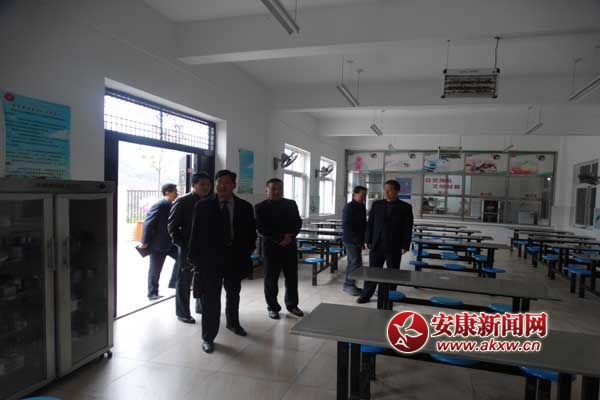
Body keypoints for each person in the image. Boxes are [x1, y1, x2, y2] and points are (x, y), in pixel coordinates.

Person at [188, 170, 256, 354]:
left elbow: (251, 234)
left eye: (226, 182)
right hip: (210, 262)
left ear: (234, 185)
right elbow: (196, 234)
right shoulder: (203, 205)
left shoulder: (245, 207)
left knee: (233, 294)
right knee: (210, 300)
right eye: (219, 182)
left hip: (235, 259)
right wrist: (194, 260)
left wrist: (247, 252)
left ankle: (233, 323)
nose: (222, 186)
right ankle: (208, 337)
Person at [357, 179, 413, 304]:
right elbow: (370, 224)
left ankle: (389, 295)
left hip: (394, 245)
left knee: (392, 272)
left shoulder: (405, 207)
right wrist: (367, 240)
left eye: (389, 190)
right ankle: (366, 295)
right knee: (372, 271)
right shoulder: (377, 204)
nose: (386, 193)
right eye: (385, 190)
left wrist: (405, 245)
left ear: (397, 191)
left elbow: (408, 228)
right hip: (377, 244)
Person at [255, 178, 304, 320]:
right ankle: (272, 307)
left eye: (280, 189)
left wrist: (290, 236)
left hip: (290, 246)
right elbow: (261, 227)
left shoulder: (291, 204)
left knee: (292, 278)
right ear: (266, 190)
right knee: (271, 279)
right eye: (273, 189)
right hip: (271, 248)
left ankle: (292, 305)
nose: (277, 191)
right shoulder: (260, 207)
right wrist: (279, 239)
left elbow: (298, 222)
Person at [168, 172, 212, 324]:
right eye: (202, 184)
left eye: (208, 184)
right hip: (187, 247)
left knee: (203, 278)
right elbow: (172, 228)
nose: (206, 187)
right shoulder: (182, 201)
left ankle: (201, 307)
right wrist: (183, 245)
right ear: (193, 185)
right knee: (184, 281)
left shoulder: (211, 201)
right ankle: (183, 313)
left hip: (206, 248)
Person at [140, 183, 178, 301]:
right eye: (175, 191)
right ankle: (152, 294)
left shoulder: (171, 204)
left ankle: (174, 283)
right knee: (155, 269)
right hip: (158, 244)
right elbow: (148, 223)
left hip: (170, 243)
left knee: (183, 258)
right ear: (167, 192)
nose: (177, 193)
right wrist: (144, 241)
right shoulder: (160, 205)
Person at [341, 185, 368, 296]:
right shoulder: (349, 207)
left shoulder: (361, 206)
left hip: (358, 239)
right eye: (362, 195)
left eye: (365, 195)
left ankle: (349, 284)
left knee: (354, 262)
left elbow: (363, 224)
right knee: (355, 262)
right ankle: (349, 285)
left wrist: (364, 239)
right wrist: (356, 240)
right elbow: (346, 225)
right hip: (350, 239)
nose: (364, 197)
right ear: (354, 194)